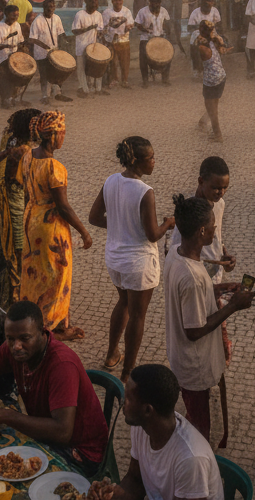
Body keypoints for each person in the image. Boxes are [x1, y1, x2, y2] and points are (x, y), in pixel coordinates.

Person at [0, 300, 109, 474]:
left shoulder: (61, 364)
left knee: (7, 468)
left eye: (25, 338)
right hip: (48, 434)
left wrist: (5, 416)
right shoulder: (14, 349)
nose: (16, 346)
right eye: (10, 338)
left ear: (42, 331)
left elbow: (62, 432)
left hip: (80, 451)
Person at [163, 193, 255, 443]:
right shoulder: (192, 277)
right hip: (194, 363)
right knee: (199, 429)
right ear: (202, 231)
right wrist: (233, 306)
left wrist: (219, 289)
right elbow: (194, 330)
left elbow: (190, 299)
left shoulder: (175, 253)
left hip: (180, 355)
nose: (216, 234)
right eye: (213, 228)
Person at [88, 137, 174, 381]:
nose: (155, 162)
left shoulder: (111, 180)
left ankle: (111, 353)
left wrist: (118, 224)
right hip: (138, 263)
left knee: (122, 303)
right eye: (151, 158)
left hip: (114, 260)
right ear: (138, 161)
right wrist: (168, 223)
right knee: (138, 315)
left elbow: (94, 217)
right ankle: (127, 373)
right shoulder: (145, 192)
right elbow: (152, 235)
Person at [22, 110, 92, 340]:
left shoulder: (27, 156)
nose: (64, 137)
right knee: (56, 276)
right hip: (51, 228)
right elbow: (64, 207)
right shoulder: (54, 167)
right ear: (52, 135)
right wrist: (84, 232)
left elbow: (26, 193)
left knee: (35, 273)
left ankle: (36, 320)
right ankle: (50, 328)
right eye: (62, 133)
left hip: (31, 221)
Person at [110, 363, 224, 500]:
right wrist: (113, 495)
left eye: (129, 399)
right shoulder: (140, 427)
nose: (123, 402)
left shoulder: (190, 459)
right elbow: (135, 480)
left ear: (147, 410)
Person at [0, 107, 38, 309]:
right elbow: (25, 187)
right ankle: (15, 301)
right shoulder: (26, 152)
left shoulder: (0, 142)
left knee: (0, 250)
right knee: (17, 254)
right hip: (15, 211)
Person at [30, 0, 71, 104]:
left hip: (54, 52)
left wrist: (66, 43)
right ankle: (45, 96)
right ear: (44, 8)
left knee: (57, 73)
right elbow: (32, 39)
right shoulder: (37, 20)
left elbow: (61, 33)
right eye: (48, 7)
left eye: (52, 7)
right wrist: (44, 46)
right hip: (41, 53)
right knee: (44, 75)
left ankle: (58, 94)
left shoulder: (57, 18)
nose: (50, 9)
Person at [0, 4, 25, 105]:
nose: (15, 18)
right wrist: (5, 46)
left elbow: (21, 41)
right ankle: (5, 100)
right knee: (5, 80)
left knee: (15, 78)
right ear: (6, 14)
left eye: (17, 15)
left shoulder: (17, 25)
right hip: (2, 58)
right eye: (13, 15)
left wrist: (22, 50)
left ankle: (13, 98)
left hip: (14, 57)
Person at [135, 0, 172, 88]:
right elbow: (137, 24)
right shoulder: (142, 11)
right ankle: (145, 80)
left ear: (160, 3)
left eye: (157, 4)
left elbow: (167, 23)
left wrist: (167, 30)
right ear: (149, 3)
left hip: (160, 38)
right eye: (153, 4)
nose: (155, 5)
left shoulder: (164, 11)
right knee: (143, 59)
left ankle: (165, 79)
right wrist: (146, 30)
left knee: (168, 55)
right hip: (146, 38)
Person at [73, 0, 106, 98]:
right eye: (92, 1)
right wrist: (89, 28)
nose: (95, 3)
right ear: (86, 2)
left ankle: (97, 88)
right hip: (82, 46)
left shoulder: (98, 15)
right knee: (81, 68)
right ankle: (83, 89)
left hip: (93, 46)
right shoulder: (80, 14)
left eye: (96, 1)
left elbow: (100, 30)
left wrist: (101, 34)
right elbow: (75, 31)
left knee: (95, 67)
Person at [103, 0, 134, 89]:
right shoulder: (107, 12)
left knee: (124, 61)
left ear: (123, 1)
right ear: (112, 1)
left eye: (120, 0)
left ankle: (124, 80)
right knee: (112, 61)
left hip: (123, 39)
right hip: (111, 39)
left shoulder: (127, 11)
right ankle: (114, 80)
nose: (118, 2)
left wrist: (129, 27)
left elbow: (130, 23)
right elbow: (103, 26)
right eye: (115, 0)